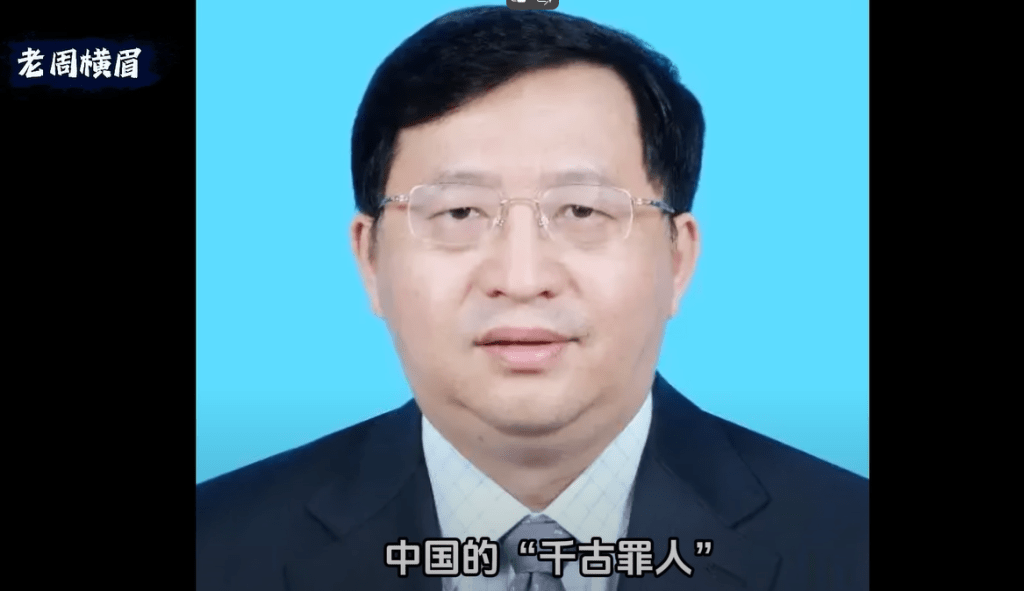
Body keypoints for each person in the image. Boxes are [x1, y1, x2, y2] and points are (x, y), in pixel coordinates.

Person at [195, 6, 867, 591]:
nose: (521, 278)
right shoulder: (216, 543)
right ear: (369, 259)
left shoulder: (849, 540)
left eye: (582, 210)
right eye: (459, 212)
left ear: (677, 258)